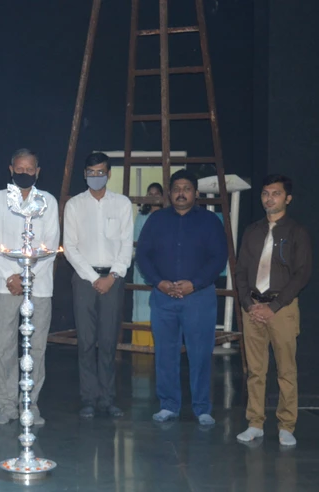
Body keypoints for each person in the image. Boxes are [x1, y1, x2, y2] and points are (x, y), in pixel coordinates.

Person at [136, 169, 227, 425]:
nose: (181, 193)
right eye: (176, 189)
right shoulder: (156, 220)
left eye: (186, 189)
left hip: (199, 298)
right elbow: (143, 255)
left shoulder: (210, 221)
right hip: (163, 297)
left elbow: (218, 258)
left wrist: (194, 284)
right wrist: (159, 282)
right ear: (169, 193)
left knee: (200, 354)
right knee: (165, 354)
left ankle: (202, 408)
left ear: (195, 193)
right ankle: (168, 405)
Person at [0, 148, 60, 426]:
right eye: (19, 168)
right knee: (4, 347)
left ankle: (30, 402)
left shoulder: (48, 201)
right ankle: (6, 405)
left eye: (29, 169)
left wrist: (27, 277)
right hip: (4, 285)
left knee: (36, 348)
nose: (24, 173)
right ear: (10, 169)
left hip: (39, 285)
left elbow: (51, 245)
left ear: (37, 172)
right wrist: (10, 276)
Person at [234, 174, 312, 447]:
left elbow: (302, 275)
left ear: (287, 198)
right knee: (255, 370)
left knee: (285, 370)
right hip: (253, 308)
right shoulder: (252, 230)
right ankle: (255, 423)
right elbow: (240, 271)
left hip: (283, 309)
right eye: (265, 193)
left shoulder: (297, 232)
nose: (269, 198)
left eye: (276, 194)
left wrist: (275, 306)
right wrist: (248, 304)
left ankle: (286, 425)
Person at [63, 153, 133, 419]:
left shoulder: (122, 204)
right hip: (84, 279)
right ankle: (88, 399)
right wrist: (94, 278)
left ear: (109, 174)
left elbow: (126, 244)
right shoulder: (74, 205)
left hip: (113, 279)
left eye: (100, 172)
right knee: (86, 342)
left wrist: (112, 276)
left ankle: (107, 398)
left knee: (108, 341)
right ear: (84, 174)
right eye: (91, 172)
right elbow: (69, 247)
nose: (96, 177)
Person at [132, 182, 164, 346]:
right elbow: (135, 243)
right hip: (142, 268)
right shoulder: (141, 217)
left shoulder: (167, 217)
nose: (153, 197)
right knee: (142, 305)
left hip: (162, 269)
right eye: (149, 194)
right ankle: (142, 343)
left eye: (156, 194)